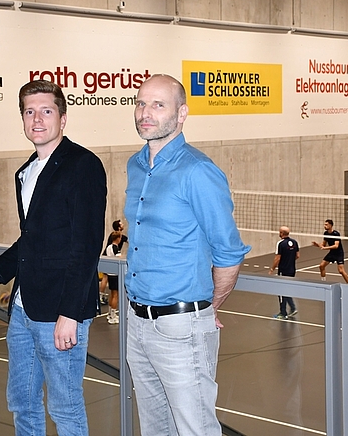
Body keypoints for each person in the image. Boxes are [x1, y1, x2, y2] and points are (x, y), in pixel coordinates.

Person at [0, 79, 107, 436]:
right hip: (23, 308)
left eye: (46, 111)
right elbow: (32, 238)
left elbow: (86, 245)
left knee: (64, 409)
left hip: (60, 313)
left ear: (62, 119)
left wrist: (70, 313)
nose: (37, 119)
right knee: (22, 402)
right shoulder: (27, 171)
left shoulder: (83, 165)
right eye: (29, 112)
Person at [124, 74, 251, 436]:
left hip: (180, 328)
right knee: (155, 428)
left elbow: (229, 252)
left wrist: (206, 308)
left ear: (182, 114)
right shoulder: (136, 166)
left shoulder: (198, 171)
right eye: (140, 103)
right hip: (138, 324)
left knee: (196, 429)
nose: (145, 113)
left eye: (158, 105)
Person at [269, 226, 300, 319]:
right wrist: (290, 260)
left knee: (281, 291)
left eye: (279, 232)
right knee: (287, 289)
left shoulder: (280, 243)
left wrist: (272, 269)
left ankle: (283, 313)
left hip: (283, 270)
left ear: (282, 233)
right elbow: (298, 255)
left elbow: (277, 258)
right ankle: (292, 308)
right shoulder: (294, 242)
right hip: (292, 270)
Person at [312, 218, 348, 284]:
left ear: (330, 225)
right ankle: (323, 282)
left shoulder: (336, 234)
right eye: (324, 224)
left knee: (341, 271)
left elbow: (336, 246)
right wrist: (317, 244)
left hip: (339, 253)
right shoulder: (326, 233)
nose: (325, 226)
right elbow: (323, 244)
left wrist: (325, 248)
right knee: (321, 266)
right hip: (332, 253)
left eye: (326, 225)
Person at [100, 220, 128, 304]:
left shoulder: (119, 236)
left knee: (110, 284)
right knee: (106, 277)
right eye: (121, 224)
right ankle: (101, 295)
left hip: (111, 255)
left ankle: (102, 296)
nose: (123, 224)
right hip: (109, 256)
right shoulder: (116, 237)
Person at [103, 231, 122, 324]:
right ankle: (113, 316)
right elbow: (120, 258)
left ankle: (110, 313)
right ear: (118, 238)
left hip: (110, 274)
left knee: (112, 294)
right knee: (115, 295)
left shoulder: (108, 247)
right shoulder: (115, 248)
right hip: (115, 275)